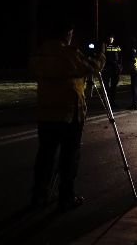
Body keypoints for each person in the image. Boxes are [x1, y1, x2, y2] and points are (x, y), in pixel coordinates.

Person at [29, 20, 105, 211]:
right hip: (70, 114)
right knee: (69, 157)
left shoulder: (40, 54)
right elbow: (91, 68)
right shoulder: (69, 55)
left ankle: (39, 195)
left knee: (45, 156)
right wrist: (101, 55)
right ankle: (66, 197)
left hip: (46, 114)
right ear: (67, 34)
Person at [102, 34, 122, 107]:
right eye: (109, 37)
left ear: (113, 39)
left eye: (112, 38)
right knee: (106, 87)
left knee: (113, 87)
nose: (110, 39)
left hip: (115, 68)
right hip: (107, 68)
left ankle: (112, 102)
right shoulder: (104, 46)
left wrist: (120, 66)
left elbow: (120, 56)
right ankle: (106, 103)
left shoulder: (117, 47)